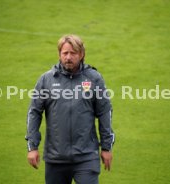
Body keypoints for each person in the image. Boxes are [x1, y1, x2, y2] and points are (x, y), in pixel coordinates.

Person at [25, 34, 115, 184]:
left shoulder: (94, 79)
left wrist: (106, 147)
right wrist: (32, 147)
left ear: (81, 54)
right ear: (59, 54)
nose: (68, 57)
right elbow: (34, 112)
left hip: (86, 157)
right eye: (65, 53)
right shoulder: (46, 80)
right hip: (55, 159)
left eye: (73, 53)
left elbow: (105, 112)